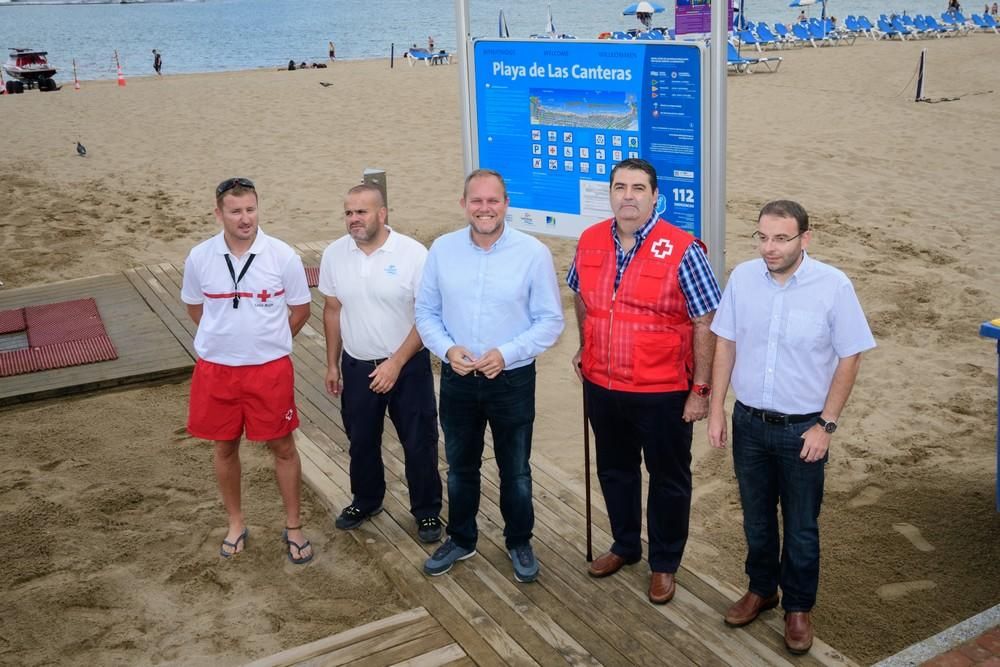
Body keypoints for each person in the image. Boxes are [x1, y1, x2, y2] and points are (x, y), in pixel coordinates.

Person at [707, 200, 875, 655]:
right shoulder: (742, 277)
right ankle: (762, 590)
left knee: (801, 525)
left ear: (805, 238)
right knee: (756, 517)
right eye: (762, 237)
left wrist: (826, 425)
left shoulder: (833, 286)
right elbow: (726, 341)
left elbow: (851, 354)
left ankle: (798, 608)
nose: (769, 247)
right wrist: (718, 409)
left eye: (781, 238)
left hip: (804, 430)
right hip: (750, 424)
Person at [567, 158, 721, 605]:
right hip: (603, 382)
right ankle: (625, 545)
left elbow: (705, 320)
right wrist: (584, 345)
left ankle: (664, 564)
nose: (628, 196)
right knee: (614, 470)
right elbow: (582, 296)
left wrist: (701, 389)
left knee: (668, 479)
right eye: (620, 187)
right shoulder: (591, 239)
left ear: (655, 196)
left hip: (662, 390)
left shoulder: (682, 248)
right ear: (610, 193)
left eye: (638, 188)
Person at [415, 169, 564, 583]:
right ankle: (461, 538)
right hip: (458, 378)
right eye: (476, 201)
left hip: (512, 380)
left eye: (493, 200)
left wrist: (507, 353)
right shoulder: (442, 250)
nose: (485, 208)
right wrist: (447, 349)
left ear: (506, 204)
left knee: (515, 470)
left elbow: (550, 321)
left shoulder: (532, 253)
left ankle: (519, 540)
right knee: (460, 467)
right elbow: (425, 312)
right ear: (463, 204)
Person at [181, 177, 315, 564]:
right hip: (217, 370)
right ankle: (236, 523)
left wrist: (267, 342)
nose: (245, 219)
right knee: (224, 447)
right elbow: (195, 308)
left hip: (269, 371)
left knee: (284, 447)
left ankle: (293, 526)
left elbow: (301, 309)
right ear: (219, 212)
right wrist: (225, 340)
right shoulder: (200, 256)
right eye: (236, 211)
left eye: (251, 210)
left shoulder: (282, 255)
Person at [319, 184, 443, 543]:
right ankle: (367, 500)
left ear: (382, 214)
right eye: (349, 212)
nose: (354, 219)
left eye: (362, 212)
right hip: (357, 365)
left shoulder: (413, 254)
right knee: (361, 441)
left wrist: (394, 364)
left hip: (407, 367)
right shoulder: (334, 255)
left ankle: (427, 512)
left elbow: (427, 317)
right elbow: (332, 309)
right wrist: (332, 364)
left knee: (419, 442)